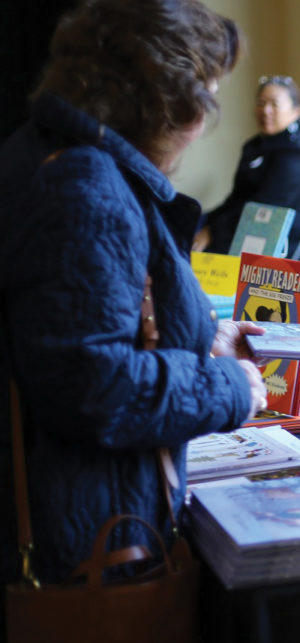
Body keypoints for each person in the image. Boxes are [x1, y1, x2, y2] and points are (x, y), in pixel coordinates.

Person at [0, 0, 269, 618]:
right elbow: (94, 387)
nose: (205, 118)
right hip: (90, 551)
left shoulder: (53, 156)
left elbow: (97, 326)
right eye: (206, 93)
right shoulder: (82, 188)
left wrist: (203, 341)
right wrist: (229, 386)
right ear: (164, 98)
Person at [192, 75, 300, 258]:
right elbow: (236, 199)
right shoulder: (255, 146)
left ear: (295, 111)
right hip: (238, 224)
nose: (266, 110)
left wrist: (211, 232)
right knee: (184, 224)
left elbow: (262, 210)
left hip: (267, 242)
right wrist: (205, 223)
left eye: (274, 104)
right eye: (261, 103)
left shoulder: (295, 155)